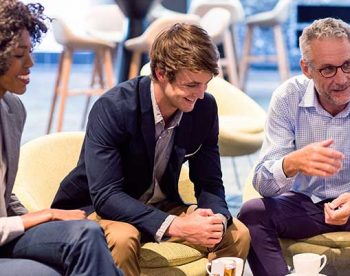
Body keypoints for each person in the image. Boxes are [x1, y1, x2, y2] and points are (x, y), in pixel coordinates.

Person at [51, 23, 250, 275]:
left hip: (160, 205)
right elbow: (106, 196)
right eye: (192, 85)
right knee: (123, 239)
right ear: (161, 73)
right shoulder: (113, 107)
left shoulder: (204, 108)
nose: (200, 94)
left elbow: (209, 181)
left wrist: (218, 220)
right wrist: (176, 225)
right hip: (99, 210)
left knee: (237, 234)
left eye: (205, 84)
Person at [237, 17, 350, 276]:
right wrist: (291, 164)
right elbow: (263, 184)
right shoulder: (288, 97)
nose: (342, 78)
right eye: (328, 70)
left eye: (348, 65)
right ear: (306, 68)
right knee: (252, 213)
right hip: (305, 204)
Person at [0, 1, 121, 275]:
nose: (30, 63)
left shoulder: (12, 109)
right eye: (20, 54)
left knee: (86, 232)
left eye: (30, 52)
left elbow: (4, 196)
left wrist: (44, 220)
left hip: (7, 231)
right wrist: (43, 216)